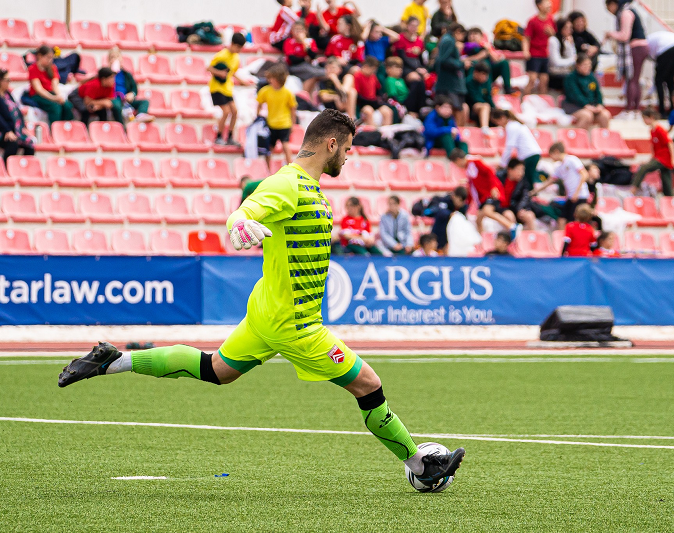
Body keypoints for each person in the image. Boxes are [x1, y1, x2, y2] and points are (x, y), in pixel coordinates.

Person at [57, 108, 466, 490]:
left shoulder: (309, 187)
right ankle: (420, 466)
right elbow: (243, 213)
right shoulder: (289, 183)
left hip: (266, 316)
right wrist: (240, 228)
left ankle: (115, 360)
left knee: (216, 369)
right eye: (348, 149)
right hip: (295, 325)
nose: (349, 157)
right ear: (331, 144)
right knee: (368, 385)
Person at [449, 149, 517, 233]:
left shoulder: (475, 162)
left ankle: (512, 226)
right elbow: (472, 188)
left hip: (491, 194)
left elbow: (489, 172)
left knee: (487, 211)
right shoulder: (468, 169)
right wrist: (468, 203)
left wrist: (493, 188)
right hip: (483, 198)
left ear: (458, 160)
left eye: (456, 164)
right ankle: (481, 241)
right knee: (478, 219)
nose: (457, 166)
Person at [208, 32, 252, 147]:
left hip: (227, 89)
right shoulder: (222, 55)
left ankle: (230, 137)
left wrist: (242, 81)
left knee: (235, 112)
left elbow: (232, 72)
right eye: (237, 47)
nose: (239, 50)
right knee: (226, 112)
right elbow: (209, 68)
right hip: (217, 88)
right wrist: (220, 73)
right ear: (232, 44)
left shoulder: (236, 58)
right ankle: (218, 136)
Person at [605, 0, 647, 119]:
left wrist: (610, 34)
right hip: (640, 47)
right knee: (635, 79)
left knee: (631, 79)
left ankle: (630, 109)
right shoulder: (629, 10)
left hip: (636, 47)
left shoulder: (625, 12)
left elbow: (624, 35)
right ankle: (635, 109)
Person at [257, 63, 298, 167]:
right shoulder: (265, 91)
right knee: (269, 148)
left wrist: (293, 124)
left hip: (284, 124)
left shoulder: (287, 93)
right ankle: (268, 169)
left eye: (273, 78)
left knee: (285, 146)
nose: (270, 80)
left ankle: (290, 167)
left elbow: (293, 109)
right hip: (271, 124)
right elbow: (259, 104)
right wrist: (258, 117)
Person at [542, 142, 590, 225]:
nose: (551, 158)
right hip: (571, 197)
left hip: (580, 196)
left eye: (551, 155)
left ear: (556, 152)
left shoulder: (572, 160)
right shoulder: (559, 167)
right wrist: (535, 191)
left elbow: (584, 174)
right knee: (562, 220)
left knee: (575, 223)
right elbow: (550, 181)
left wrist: (576, 192)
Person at [633, 108, 674, 196]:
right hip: (659, 158)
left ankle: (633, 190)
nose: (644, 121)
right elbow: (654, 148)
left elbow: (670, 144)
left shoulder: (660, 129)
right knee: (666, 182)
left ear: (651, 117)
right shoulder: (652, 131)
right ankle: (669, 200)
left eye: (645, 119)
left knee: (643, 168)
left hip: (663, 159)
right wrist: (650, 159)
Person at [492, 108, 542, 189]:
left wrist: (502, 163)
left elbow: (509, 147)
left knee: (527, 181)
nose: (498, 124)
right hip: (532, 154)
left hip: (529, 155)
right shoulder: (515, 125)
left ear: (502, 118)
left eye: (497, 122)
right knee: (528, 180)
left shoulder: (511, 126)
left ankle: (530, 197)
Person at [434, 23, 469, 127]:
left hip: (449, 83)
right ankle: (457, 133)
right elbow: (444, 60)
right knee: (456, 108)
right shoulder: (449, 41)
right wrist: (461, 64)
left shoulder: (446, 39)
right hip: (450, 84)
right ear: (458, 31)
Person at [27, 45, 73, 125]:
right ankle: (53, 130)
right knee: (55, 108)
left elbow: (55, 85)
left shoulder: (52, 68)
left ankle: (64, 128)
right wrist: (53, 98)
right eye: (48, 57)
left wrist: (59, 97)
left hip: (51, 93)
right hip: (38, 96)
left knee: (67, 106)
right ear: (40, 56)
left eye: (51, 58)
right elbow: (39, 90)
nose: (50, 60)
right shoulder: (33, 69)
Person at [562, 54, 611, 129]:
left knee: (605, 115)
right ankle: (579, 139)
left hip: (591, 106)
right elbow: (575, 95)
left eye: (589, 65)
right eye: (585, 65)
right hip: (575, 106)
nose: (587, 67)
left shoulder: (591, 77)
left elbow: (598, 93)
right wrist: (586, 105)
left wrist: (599, 104)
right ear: (578, 65)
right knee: (587, 116)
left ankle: (602, 139)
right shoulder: (571, 78)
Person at [414, 186, 469, 251]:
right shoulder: (445, 201)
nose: (461, 203)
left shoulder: (463, 208)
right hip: (440, 232)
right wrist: (450, 214)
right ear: (454, 196)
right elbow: (440, 212)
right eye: (459, 200)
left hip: (451, 236)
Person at [107, 46, 152, 124]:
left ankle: (141, 115)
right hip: (114, 99)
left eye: (117, 57)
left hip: (125, 100)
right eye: (112, 57)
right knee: (116, 106)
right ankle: (122, 127)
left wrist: (132, 94)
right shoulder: (106, 75)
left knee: (145, 102)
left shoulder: (127, 74)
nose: (115, 59)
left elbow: (134, 89)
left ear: (121, 59)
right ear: (109, 61)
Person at [464, 27, 513, 95]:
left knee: (504, 63)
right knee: (483, 64)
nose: (473, 37)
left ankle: (507, 88)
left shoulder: (485, 46)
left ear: (481, 37)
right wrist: (479, 56)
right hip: (475, 73)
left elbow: (496, 59)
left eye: (475, 34)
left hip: (489, 72)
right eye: (471, 35)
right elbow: (463, 59)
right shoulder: (466, 47)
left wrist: (489, 50)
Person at [0, 69, 35, 163]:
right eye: (7, 80)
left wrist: (23, 127)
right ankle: (6, 170)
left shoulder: (8, 95)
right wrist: (7, 131)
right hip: (3, 131)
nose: (9, 83)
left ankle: (24, 171)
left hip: (15, 131)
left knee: (29, 146)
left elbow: (17, 112)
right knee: (12, 145)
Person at [647, 31, 674, 118]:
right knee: (670, 81)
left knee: (659, 81)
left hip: (667, 49)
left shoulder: (646, 45)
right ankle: (673, 110)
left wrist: (650, 91)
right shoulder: (652, 40)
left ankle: (662, 111)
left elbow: (656, 63)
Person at [348, 57, 394, 126]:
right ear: (366, 66)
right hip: (363, 103)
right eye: (373, 69)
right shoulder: (358, 75)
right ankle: (372, 133)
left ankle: (386, 134)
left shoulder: (373, 76)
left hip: (373, 102)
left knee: (388, 111)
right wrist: (369, 101)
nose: (373, 71)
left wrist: (380, 99)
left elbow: (378, 90)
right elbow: (358, 95)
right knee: (369, 111)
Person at [284, 21, 326, 94]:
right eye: (296, 30)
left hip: (308, 66)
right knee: (313, 72)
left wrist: (304, 43)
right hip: (295, 67)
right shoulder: (289, 42)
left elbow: (313, 56)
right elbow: (292, 59)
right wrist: (304, 58)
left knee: (314, 75)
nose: (298, 32)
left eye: (300, 30)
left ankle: (305, 97)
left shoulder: (310, 41)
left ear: (305, 31)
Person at [524, 0, 556, 95]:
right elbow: (526, 38)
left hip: (545, 54)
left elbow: (553, 35)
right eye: (547, 3)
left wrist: (551, 33)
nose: (550, 5)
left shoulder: (551, 19)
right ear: (539, 5)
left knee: (544, 81)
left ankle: (542, 103)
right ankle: (524, 101)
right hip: (534, 54)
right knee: (532, 79)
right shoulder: (532, 21)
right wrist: (526, 51)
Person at [548, 18, 577, 91]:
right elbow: (556, 62)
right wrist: (572, 60)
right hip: (554, 73)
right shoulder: (553, 40)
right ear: (561, 28)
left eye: (571, 28)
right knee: (573, 80)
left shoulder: (565, 40)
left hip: (565, 71)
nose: (570, 31)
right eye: (567, 28)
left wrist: (571, 45)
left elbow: (573, 56)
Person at [465, 62, 495, 134]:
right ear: (476, 73)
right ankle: (484, 127)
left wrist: (494, 108)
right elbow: (475, 98)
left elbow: (488, 96)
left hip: (485, 105)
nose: (485, 77)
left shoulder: (486, 82)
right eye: (483, 75)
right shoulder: (468, 82)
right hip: (472, 108)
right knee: (485, 106)